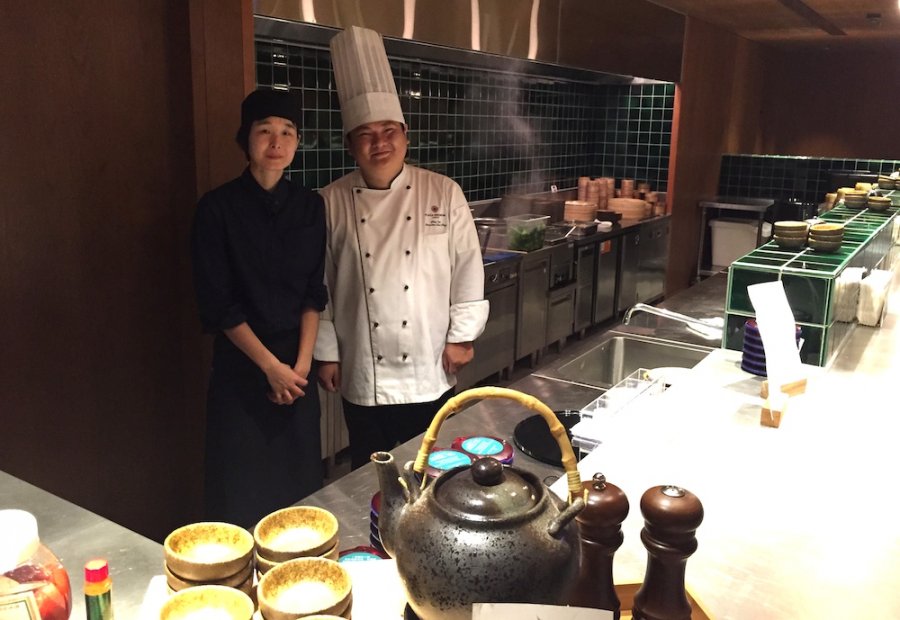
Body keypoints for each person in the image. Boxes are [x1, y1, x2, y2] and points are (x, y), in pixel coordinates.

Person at [315, 26, 489, 469]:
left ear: (405, 136)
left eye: (389, 130)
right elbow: (321, 285)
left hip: (429, 362)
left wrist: (462, 336)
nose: (380, 143)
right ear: (350, 145)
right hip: (362, 365)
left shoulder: (443, 191)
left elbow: (468, 267)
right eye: (366, 134)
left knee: (433, 465)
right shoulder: (329, 201)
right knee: (369, 469)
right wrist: (327, 352)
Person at [190, 88, 327, 527]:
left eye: (288, 132)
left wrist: (300, 367)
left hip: (296, 370)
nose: (276, 142)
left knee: (301, 492)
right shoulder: (216, 208)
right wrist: (271, 368)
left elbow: (313, 292)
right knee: (239, 493)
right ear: (245, 139)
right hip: (242, 369)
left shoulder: (310, 206)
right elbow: (219, 304)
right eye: (264, 130)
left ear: (298, 142)